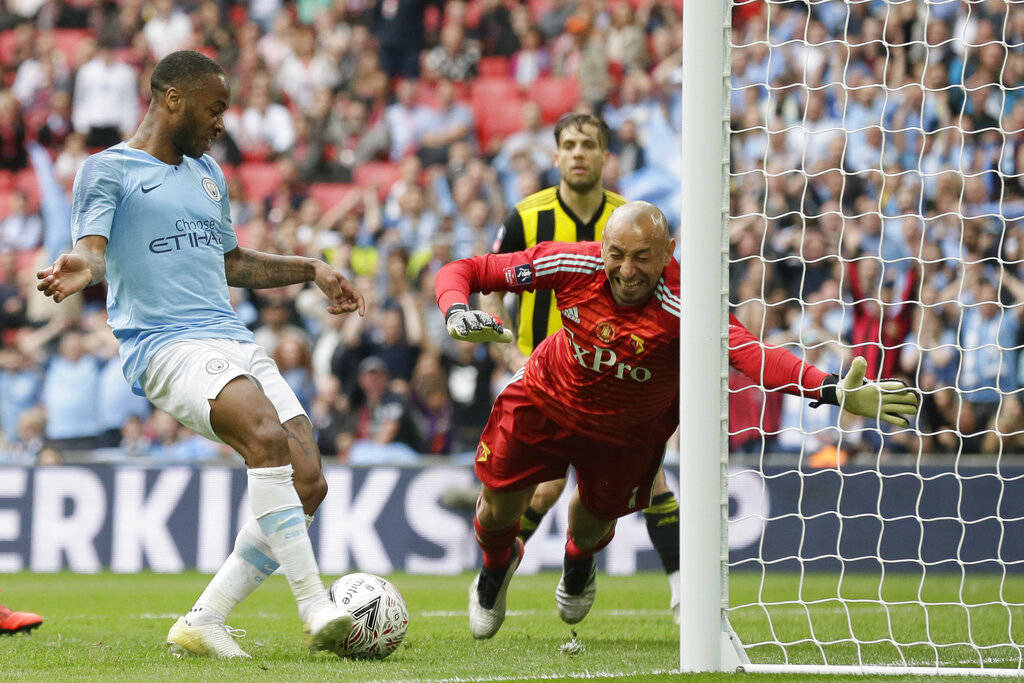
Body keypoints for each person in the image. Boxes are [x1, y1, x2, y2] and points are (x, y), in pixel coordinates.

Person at [435, 200, 919, 639]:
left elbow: (753, 356)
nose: (626, 271)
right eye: (617, 254)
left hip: (626, 434)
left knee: (588, 525)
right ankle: (496, 569)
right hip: (542, 402)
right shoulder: (572, 262)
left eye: (642, 257)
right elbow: (469, 270)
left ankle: (579, 561)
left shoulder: (688, 301)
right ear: (603, 246)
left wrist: (831, 387)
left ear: (669, 250)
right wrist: (456, 311)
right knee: (495, 511)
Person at [36, 51, 365, 659]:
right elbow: (93, 251)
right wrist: (83, 267)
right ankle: (316, 605)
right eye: (215, 110)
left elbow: (231, 262)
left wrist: (311, 269)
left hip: (232, 338)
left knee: (309, 483)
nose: (221, 124)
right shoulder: (107, 170)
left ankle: (204, 619)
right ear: (172, 99)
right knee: (265, 437)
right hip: (164, 344)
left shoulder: (208, 174)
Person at [488, 112, 688, 621]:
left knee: (653, 479)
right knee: (548, 486)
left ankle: (684, 590)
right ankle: (502, 567)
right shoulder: (523, 217)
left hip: (621, 377)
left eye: (589, 145)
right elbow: (491, 289)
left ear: (605, 156)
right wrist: (508, 348)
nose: (579, 153)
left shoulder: (632, 220)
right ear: (556, 156)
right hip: (541, 375)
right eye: (569, 145)